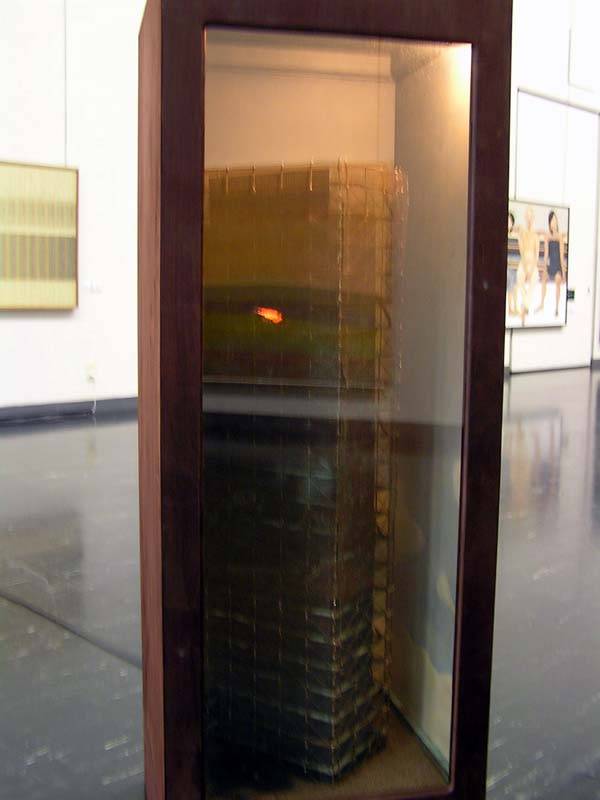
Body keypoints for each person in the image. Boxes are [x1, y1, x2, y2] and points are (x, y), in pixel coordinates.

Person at [537, 210, 566, 318]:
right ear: (549, 223)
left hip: (558, 266)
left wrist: (564, 274)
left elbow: (562, 256)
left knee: (558, 281)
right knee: (544, 278)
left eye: (555, 220)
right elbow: (546, 255)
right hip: (550, 266)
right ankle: (541, 304)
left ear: (557, 222)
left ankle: (557, 308)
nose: (554, 222)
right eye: (552, 220)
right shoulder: (547, 236)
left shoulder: (560, 236)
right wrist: (544, 269)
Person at [516, 206, 540, 325]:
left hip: (533, 264)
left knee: (534, 279)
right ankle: (525, 306)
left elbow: (537, 255)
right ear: (525, 218)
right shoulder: (522, 234)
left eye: (531, 216)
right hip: (524, 262)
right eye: (527, 216)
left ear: (533, 218)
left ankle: (524, 306)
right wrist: (526, 269)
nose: (529, 219)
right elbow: (521, 252)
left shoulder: (536, 236)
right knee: (519, 278)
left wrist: (531, 269)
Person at [506, 211, 519, 316]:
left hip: (515, 265)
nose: (508, 223)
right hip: (508, 265)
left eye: (510, 221)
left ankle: (515, 307)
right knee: (511, 282)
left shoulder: (515, 236)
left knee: (515, 285)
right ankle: (511, 308)